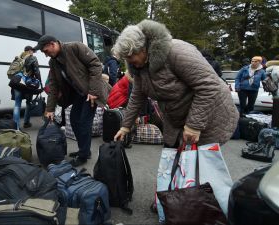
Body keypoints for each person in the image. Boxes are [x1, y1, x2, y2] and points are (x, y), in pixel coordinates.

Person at [112, 19, 238, 147]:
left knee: (200, 164)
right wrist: (126, 126)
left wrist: (193, 126)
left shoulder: (177, 52)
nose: (128, 62)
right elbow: (137, 96)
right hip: (177, 121)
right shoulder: (139, 66)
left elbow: (208, 86)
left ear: (142, 49)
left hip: (209, 118)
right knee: (177, 163)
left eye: (129, 57)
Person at [34, 34, 110, 167]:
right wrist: (49, 109)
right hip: (79, 95)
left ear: (53, 44)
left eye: (45, 51)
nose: (46, 55)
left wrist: (93, 91)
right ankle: (84, 150)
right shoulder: (53, 62)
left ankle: (83, 155)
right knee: (74, 120)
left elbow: (96, 65)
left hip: (91, 92)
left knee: (84, 123)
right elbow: (54, 86)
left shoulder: (75, 47)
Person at [11, 46, 41, 129]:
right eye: (32, 51)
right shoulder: (32, 58)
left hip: (17, 82)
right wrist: (39, 82)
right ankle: (26, 122)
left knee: (17, 104)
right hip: (27, 83)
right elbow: (36, 71)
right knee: (28, 103)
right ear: (29, 51)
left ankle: (16, 127)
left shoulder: (18, 58)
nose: (33, 53)